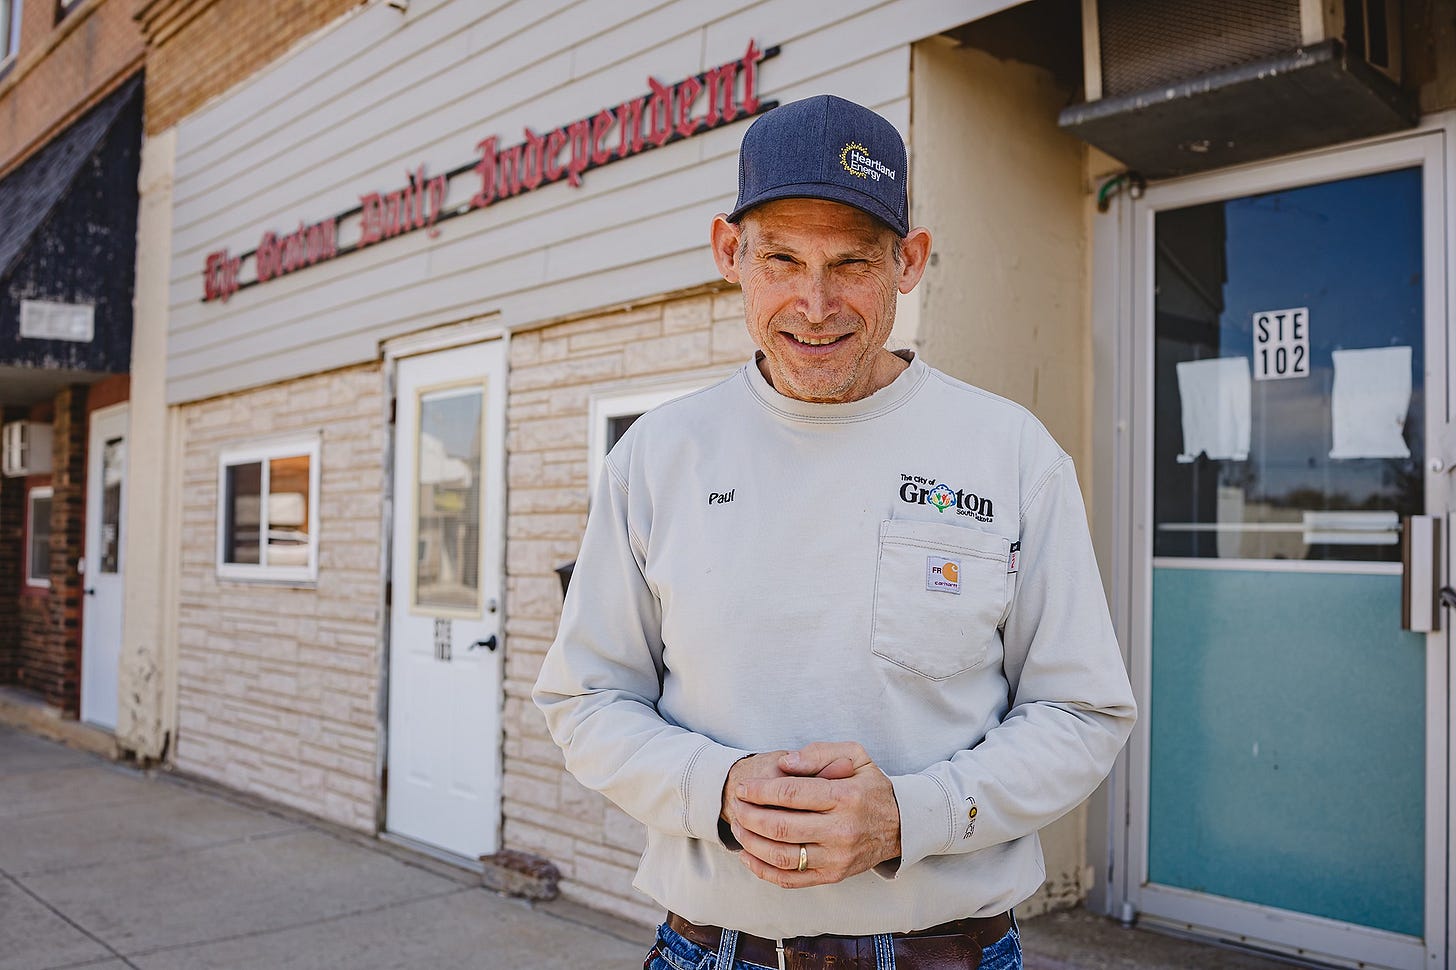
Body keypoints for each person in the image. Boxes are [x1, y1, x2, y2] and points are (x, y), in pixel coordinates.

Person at [533, 94, 1136, 970]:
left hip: (947, 954)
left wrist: (910, 816)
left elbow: (1082, 711)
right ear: (727, 253)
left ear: (909, 262)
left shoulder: (1009, 454)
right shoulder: (659, 458)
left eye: (850, 263)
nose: (814, 305)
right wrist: (720, 790)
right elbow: (585, 699)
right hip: (714, 950)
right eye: (780, 258)